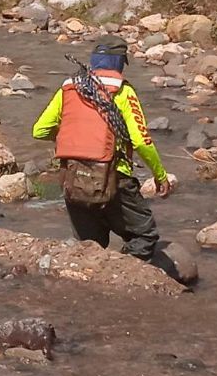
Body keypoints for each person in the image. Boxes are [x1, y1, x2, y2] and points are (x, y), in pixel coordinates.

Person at [32, 35, 172, 262]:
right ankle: (124, 274)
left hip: (74, 178)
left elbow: (40, 131)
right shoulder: (123, 91)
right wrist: (160, 176)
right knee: (144, 235)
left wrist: (74, 139)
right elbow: (141, 141)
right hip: (115, 178)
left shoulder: (69, 88)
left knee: (89, 246)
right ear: (119, 63)